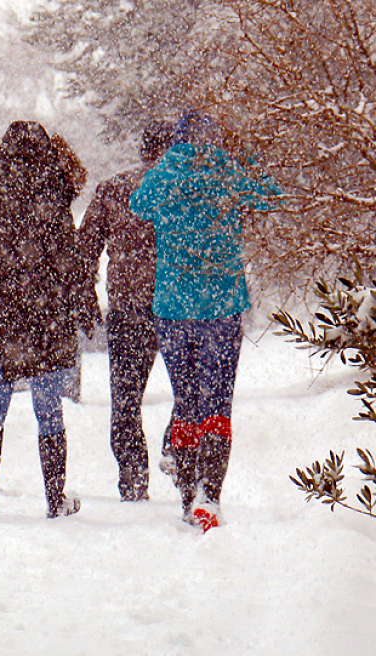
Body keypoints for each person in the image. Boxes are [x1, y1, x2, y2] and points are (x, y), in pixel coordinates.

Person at [129, 111, 278, 531]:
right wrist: (244, 157)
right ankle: (209, 497)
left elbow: (138, 205)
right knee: (218, 404)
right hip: (222, 305)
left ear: (178, 140)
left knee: (187, 401)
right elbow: (270, 195)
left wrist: (168, 168)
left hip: (173, 306)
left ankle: (185, 494)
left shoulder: (165, 173)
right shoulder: (227, 170)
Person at [0, 121, 97, 524]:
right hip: (46, 325)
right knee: (49, 411)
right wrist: (79, 306)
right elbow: (71, 268)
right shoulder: (54, 209)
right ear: (51, 158)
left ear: (0, 156)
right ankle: (55, 498)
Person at [77, 120, 175, 502]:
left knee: (126, 400)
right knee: (189, 392)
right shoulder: (184, 191)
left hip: (128, 308)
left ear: (142, 150)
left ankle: (133, 478)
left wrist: (86, 302)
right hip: (177, 306)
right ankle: (176, 448)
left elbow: (84, 251)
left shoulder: (115, 189)